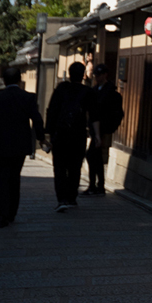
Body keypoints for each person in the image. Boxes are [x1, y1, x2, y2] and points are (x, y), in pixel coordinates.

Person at [0, 66, 46, 228]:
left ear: (4, 81)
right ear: (20, 80)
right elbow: (37, 120)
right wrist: (41, 138)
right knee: (14, 178)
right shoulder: (27, 98)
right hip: (19, 146)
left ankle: (1, 214)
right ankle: (11, 212)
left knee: (1, 179)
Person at [46, 61, 92, 211]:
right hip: (78, 134)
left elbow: (51, 110)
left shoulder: (61, 88)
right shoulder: (87, 91)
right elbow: (93, 115)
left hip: (60, 134)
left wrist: (49, 133)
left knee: (59, 167)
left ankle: (62, 199)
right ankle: (72, 197)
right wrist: (95, 134)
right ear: (83, 75)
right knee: (75, 166)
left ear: (69, 74)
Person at [83, 63, 124, 196]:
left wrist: (108, 127)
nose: (97, 77)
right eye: (95, 75)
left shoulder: (110, 92)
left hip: (103, 127)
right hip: (95, 128)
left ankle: (95, 186)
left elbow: (115, 112)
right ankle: (98, 186)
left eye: (99, 75)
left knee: (92, 155)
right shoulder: (95, 89)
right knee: (96, 157)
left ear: (105, 75)